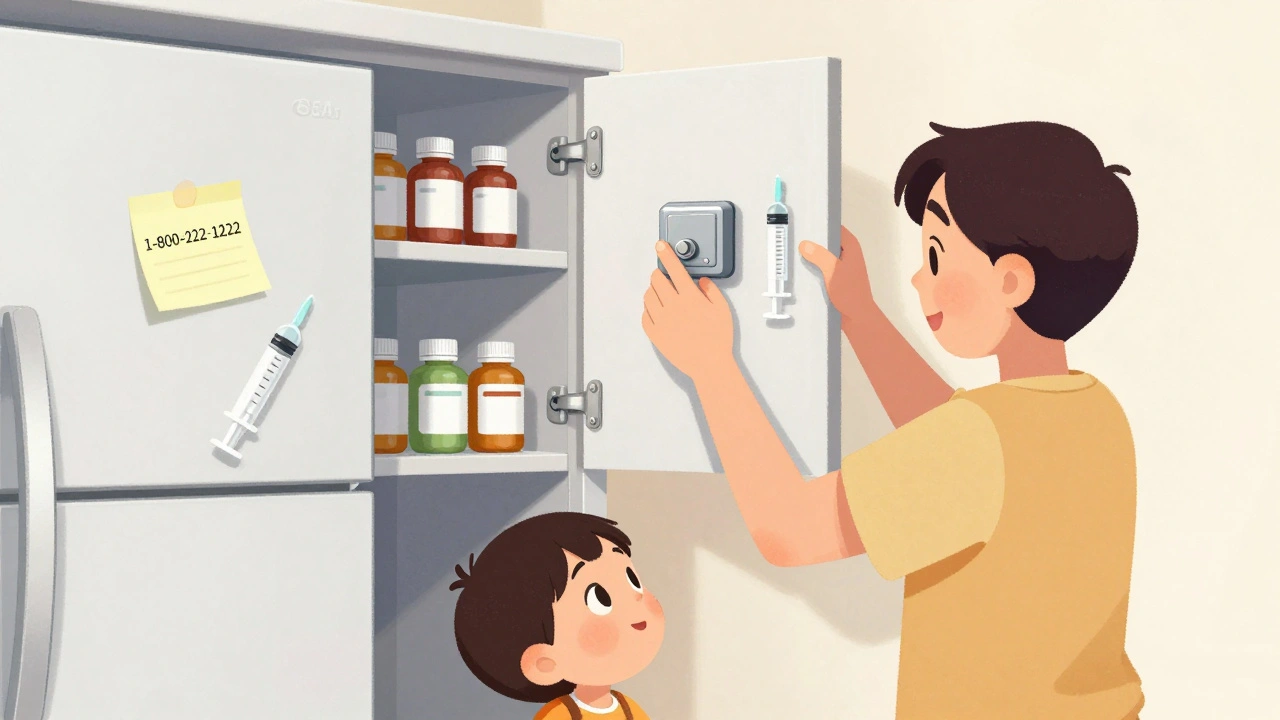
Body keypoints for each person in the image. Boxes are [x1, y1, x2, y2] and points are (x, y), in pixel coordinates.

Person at [641, 121, 1144, 719]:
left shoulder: (979, 441)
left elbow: (789, 529)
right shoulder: (1092, 410)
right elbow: (956, 446)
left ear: (1010, 279)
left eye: (936, 256)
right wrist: (861, 315)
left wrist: (710, 364)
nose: (918, 279)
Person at [451, 512, 663, 720]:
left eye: (632, 580)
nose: (634, 600)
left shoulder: (629, 709)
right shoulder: (559, 715)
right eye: (600, 598)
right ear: (545, 663)